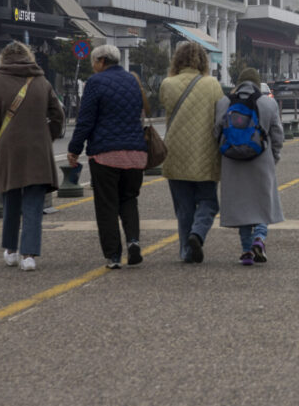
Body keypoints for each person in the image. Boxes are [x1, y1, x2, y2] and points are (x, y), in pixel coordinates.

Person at [67, 45, 147, 268]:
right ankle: (133, 242)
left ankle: (113, 256)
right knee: (129, 199)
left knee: (107, 205)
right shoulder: (133, 81)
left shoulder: (95, 83)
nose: (93, 67)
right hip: (135, 153)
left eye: (94, 62)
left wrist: (74, 149)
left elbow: (85, 121)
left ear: (102, 61)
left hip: (106, 155)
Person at [0, 41, 64, 271]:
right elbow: (58, 115)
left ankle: (11, 250)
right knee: (34, 202)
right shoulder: (41, 81)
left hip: (8, 150)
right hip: (38, 148)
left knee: (11, 199)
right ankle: (29, 256)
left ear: (3, 59)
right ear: (29, 57)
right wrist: (49, 136)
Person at [160, 42, 224, 263]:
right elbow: (219, 114)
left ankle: (186, 251)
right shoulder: (212, 84)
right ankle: (197, 234)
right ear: (203, 61)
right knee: (209, 201)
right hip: (205, 152)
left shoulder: (167, 84)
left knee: (184, 208)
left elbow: (165, 106)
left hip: (175, 153)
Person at [214, 67, 284, 265]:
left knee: (241, 205)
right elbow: (278, 135)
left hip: (232, 161)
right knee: (262, 203)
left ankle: (246, 251)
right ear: (257, 82)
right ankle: (259, 238)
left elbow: (216, 132)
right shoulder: (268, 103)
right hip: (261, 159)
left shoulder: (224, 103)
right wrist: (274, 156)